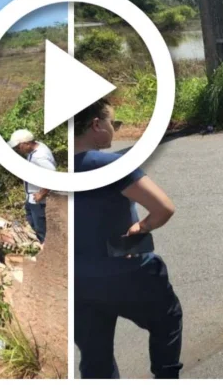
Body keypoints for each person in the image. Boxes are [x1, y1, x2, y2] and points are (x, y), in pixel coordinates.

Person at [74, 98, 183, 379]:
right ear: (96, 125)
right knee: (167, 319)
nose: (115, 128)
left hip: (77, 281)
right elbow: (163, 208)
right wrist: (141, 227)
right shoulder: (109, 165)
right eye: (114, 122)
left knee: (95, 355)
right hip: (124, 271)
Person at [7, 128, 56, 243]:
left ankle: (47, 247)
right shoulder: (36, 148)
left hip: (39, 199)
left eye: (18, 147)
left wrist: (41, 194)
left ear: (27, 143)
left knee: (41, 228)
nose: (17, 150)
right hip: (31, 197)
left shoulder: (39, 156)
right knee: (32, 221)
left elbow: (53, 176)